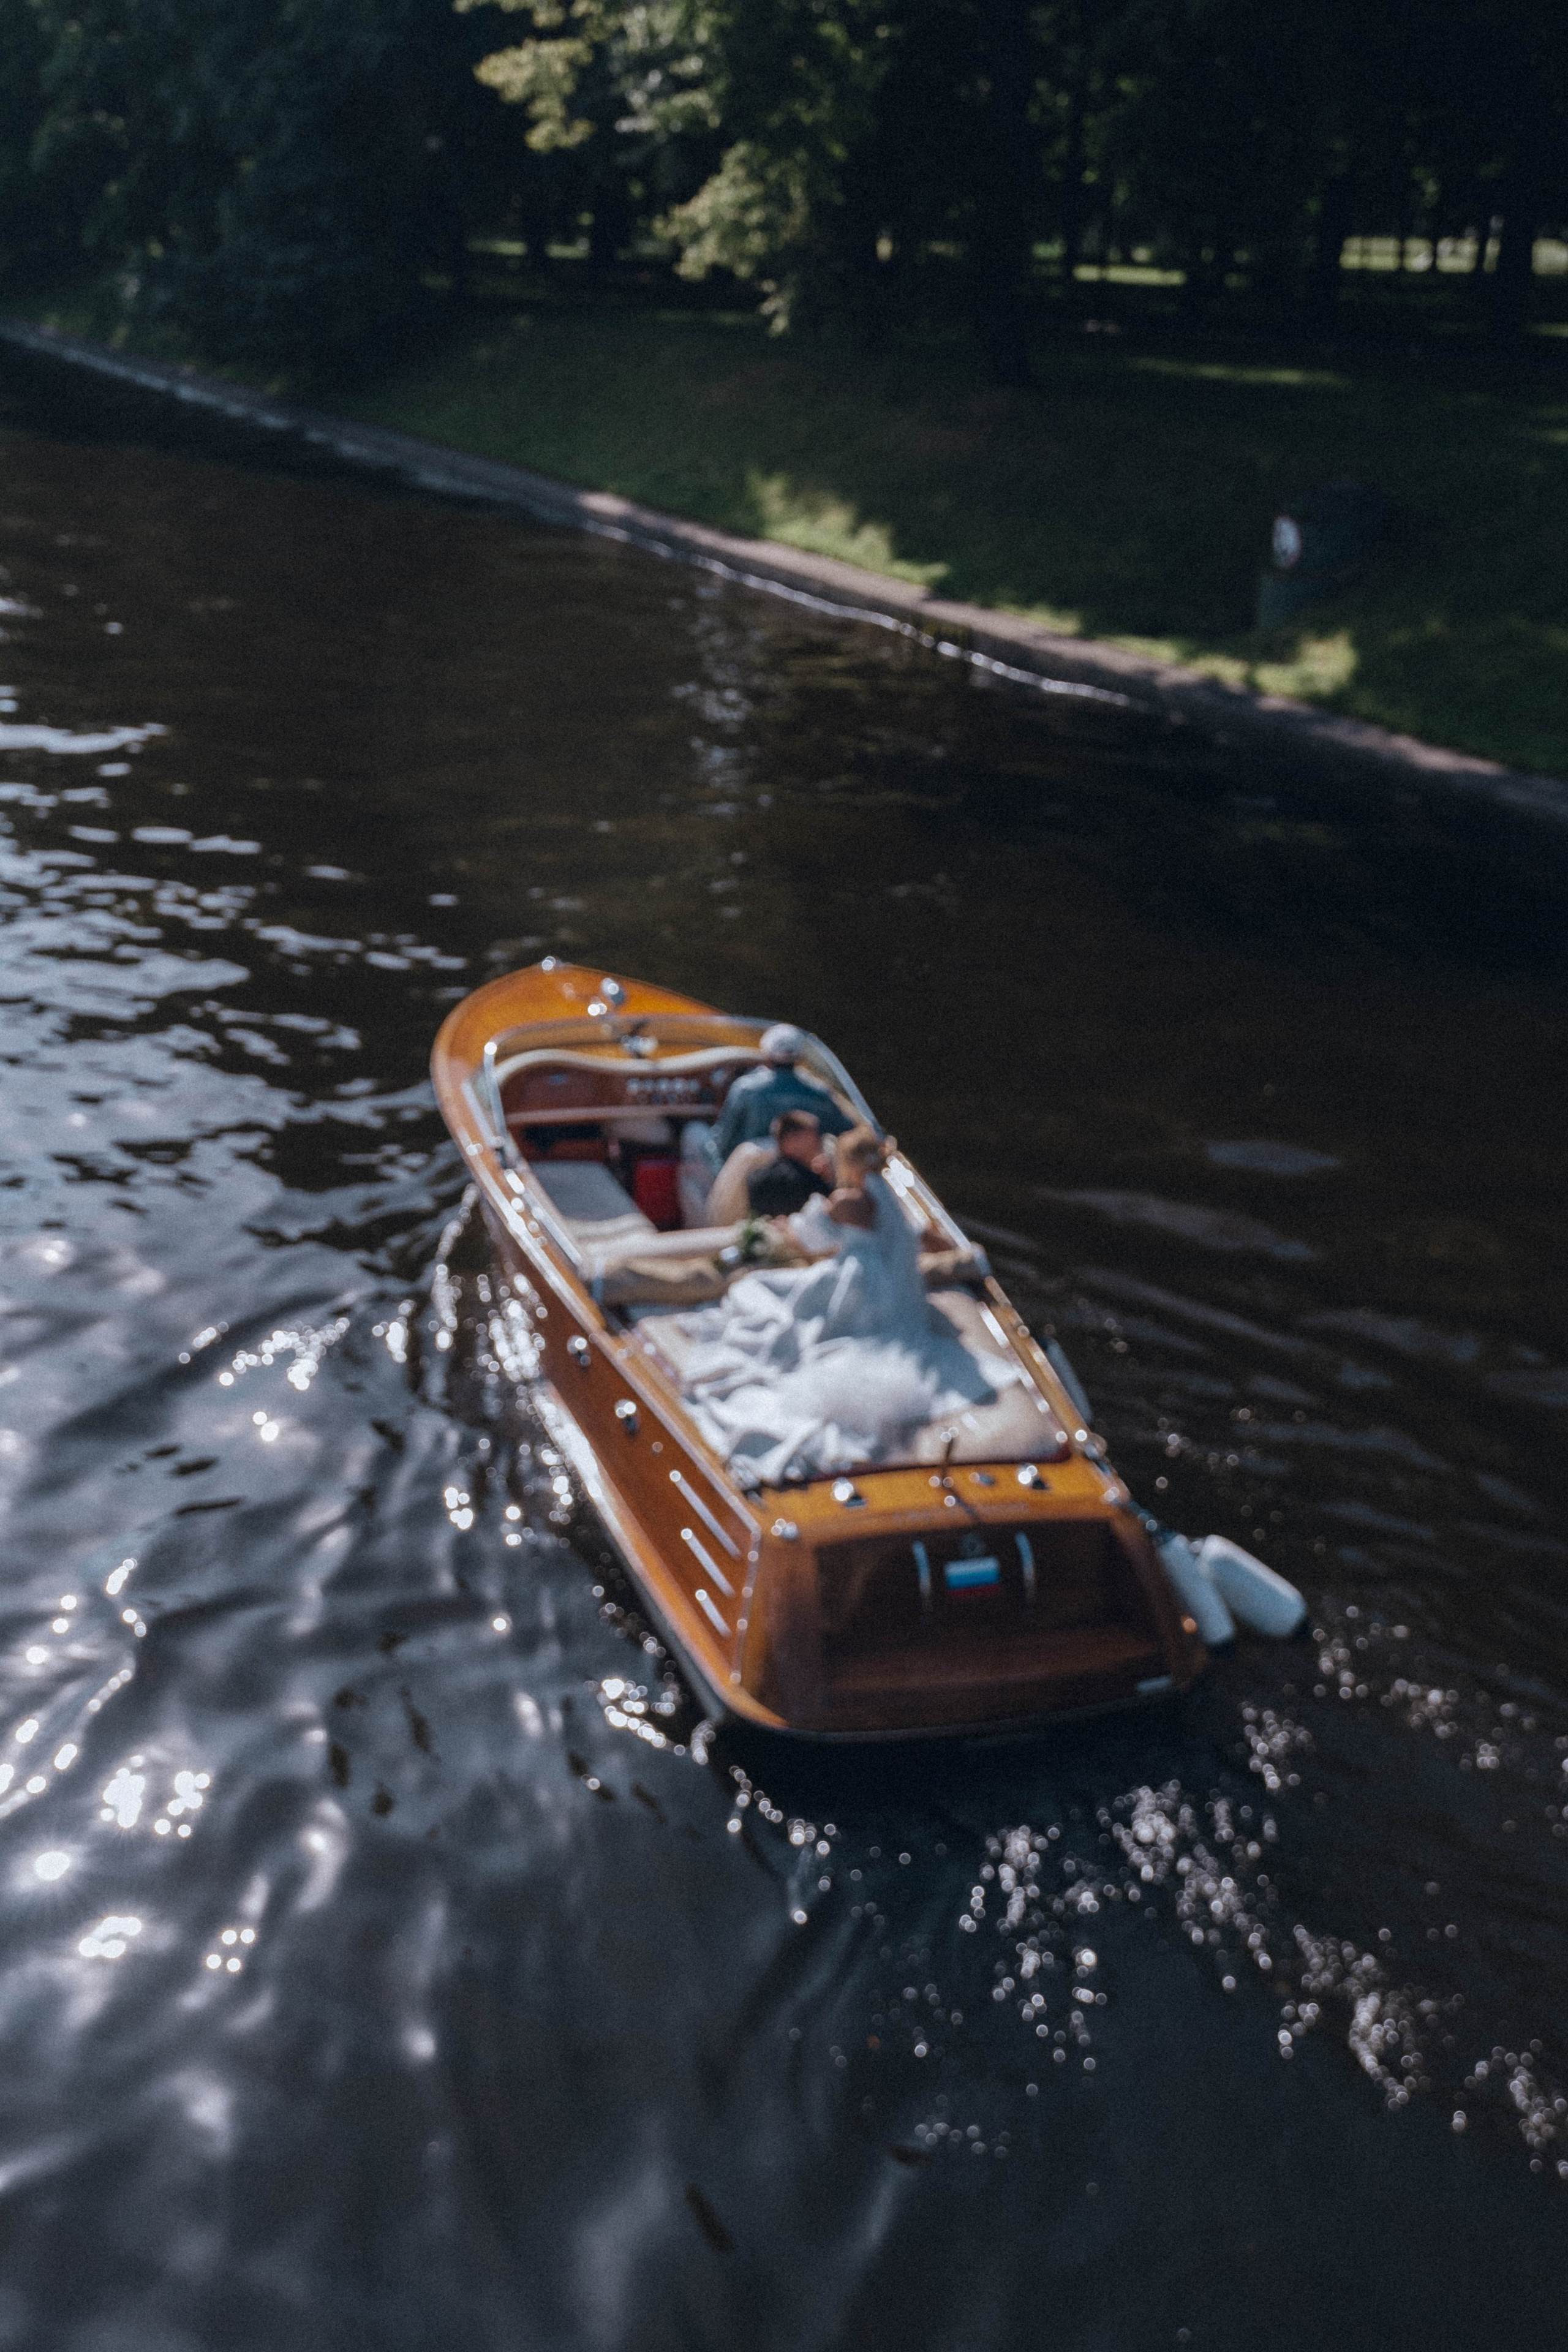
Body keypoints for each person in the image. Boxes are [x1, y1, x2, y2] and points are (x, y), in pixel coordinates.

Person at [676, 1124, 1021, 1485]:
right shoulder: (890, 1202)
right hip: (898, 1291)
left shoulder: (847, 1202)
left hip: (858, 1280)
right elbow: (924, 1238)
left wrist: (783, 1230)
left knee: (759, 1290)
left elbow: (811, 1237)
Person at [710, 1023, 854, 1164]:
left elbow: (723, 1139)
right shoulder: (819, 1092)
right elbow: (847, 1130)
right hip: (808, 1169)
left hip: (755, 1169)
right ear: (799, 1056)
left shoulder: (745, 1089)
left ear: (767, 1055)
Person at [744, 1109, 834, 1218]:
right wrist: (828, 1181)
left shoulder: (756, 1177)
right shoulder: (806, 1181)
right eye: (812, 1135)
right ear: (790, 1141)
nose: (818, 1140)